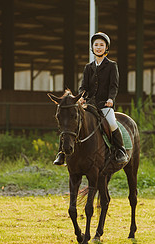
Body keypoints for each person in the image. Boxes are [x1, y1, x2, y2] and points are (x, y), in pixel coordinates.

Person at [53, 32, 129, 166]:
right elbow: (83, 86)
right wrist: (81, 97)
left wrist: (111, 99)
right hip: (89, 104)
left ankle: (120, 151)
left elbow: (114, 86)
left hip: (105, 104)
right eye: (96, 45)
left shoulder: (112, 66)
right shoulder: (88, 67)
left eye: (101, 45)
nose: (98, 47)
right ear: (92, 48)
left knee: (111, 122)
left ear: (106, 48)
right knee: (71, 122)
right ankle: (61, 153)